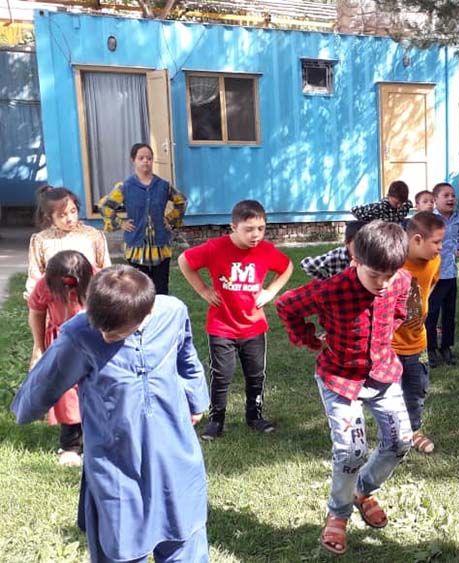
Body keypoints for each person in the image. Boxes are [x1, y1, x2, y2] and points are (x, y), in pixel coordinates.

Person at [12, 265, 210, 562]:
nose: (104, 336)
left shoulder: (173, 312)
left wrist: (196, 400)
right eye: (100, 328)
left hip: (174, 451)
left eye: (114, 332)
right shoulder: (80, 333)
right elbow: (45, 381)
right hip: (116, 458)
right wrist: (25, 409)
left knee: (183, 535)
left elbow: (187, 356)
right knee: (121, 543)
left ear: (146, 314)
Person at [275, 221, 412, 556]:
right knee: (351, 451)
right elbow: (287, 306)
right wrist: (309, 340)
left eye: (390, 275)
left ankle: (362, 490)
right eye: (375, 275)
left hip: (383, 375)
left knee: (400, 441)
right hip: (340, 378)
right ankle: (338, 514)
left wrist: (386, 332)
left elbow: (398, 311)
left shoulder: (401, 281)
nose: (383, 284)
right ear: (355, 259)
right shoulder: (332, 289)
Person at [178, 200, 293, 440]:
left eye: (261, 228)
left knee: (255, 374)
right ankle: (216, 419)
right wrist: (203, 291)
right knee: (221, 375)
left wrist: (270, 292)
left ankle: (255, 416)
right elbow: (184, 262)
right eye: (249, 229)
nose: (256, 235)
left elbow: (287, 267)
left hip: (253, 326)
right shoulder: (214, 248)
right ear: (233, 227)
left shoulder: (266, 250)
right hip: (222, 326)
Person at [27, 250, 94, 466]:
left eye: (74, 284)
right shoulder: (44, 285)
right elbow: (37, 312)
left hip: (95, 339)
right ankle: (71, 446)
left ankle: (99, 439)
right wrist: (39, 347)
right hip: (62, 341)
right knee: (67, 392)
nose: (70, 289)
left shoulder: (99, 280)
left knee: (98, 387)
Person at [98, 143, 187, 295]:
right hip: (136, 247)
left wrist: (170, 219)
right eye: (141, 158)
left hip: (160, 246)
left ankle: (160, 316)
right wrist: (121, 223)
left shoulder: (164, 186)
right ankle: (142, 318)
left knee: (161, 289)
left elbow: (181, 201)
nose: (145, 161)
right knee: (138, 289)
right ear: (133, 161)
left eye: (149, 158)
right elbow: (104, 206)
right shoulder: (125, 187)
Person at [395, 211, 444, 454]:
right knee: (388, 392)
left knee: (417, 388)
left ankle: (414, 431)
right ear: (416, 240)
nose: (439, 248)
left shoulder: (435, 260)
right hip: (390, 344)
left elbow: (432, 282)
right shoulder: (393, 260)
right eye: (436, 242)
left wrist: (420, 307)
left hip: (418, 340)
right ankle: (393, 434)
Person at [25, 185, 110, 300]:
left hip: (89, 299)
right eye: (62, 215)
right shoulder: (41, 240)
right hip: (55, 300)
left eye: (73, 211)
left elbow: (105, 269)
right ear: (50, 217)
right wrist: (37, 300)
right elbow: (35, 276)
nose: (70, 218)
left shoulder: (93, 235)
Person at [425, 182, 459, 367]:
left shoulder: (458, 218)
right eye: (446, 196)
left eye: (453, 195)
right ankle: (431, 348)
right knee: (432, 313)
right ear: (435, 200)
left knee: (449, 313)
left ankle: (446, 347)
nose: (451, 199)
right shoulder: (429, 220)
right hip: (434, 275)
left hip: (451, 274)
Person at [301, 221, 365, 281]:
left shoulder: (369, 256)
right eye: (358, 245)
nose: (363, 249)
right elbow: (306, 264)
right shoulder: (335, 257)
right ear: (347, 243)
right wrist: (325, 281)